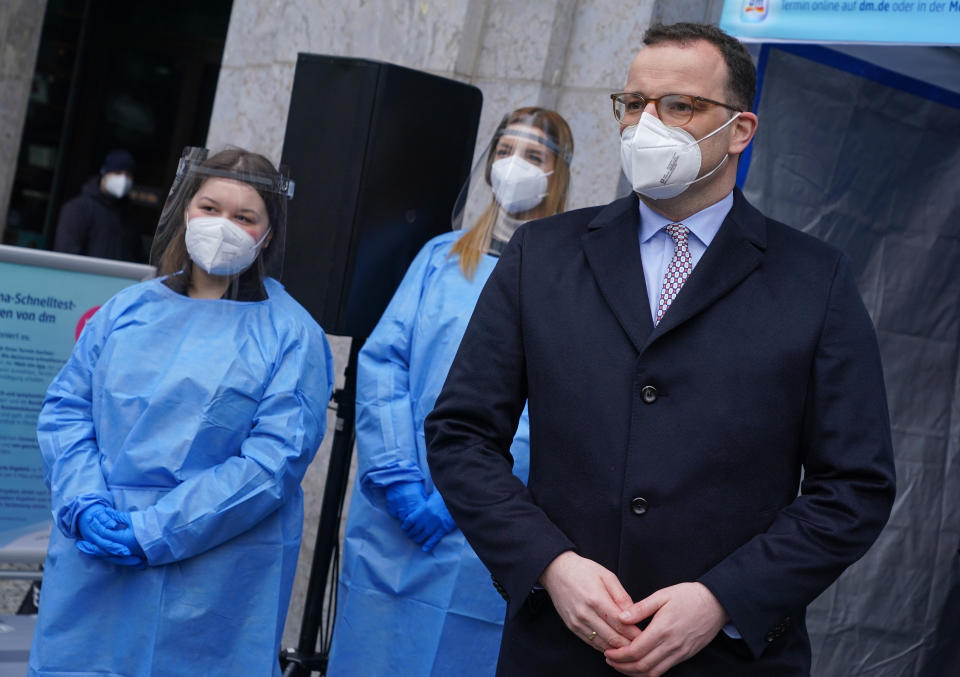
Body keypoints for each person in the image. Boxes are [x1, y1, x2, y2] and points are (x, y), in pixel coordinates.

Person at [426, 23, 896, 677]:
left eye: (680, 105)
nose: (648, 124)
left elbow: (854, 486)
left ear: (740, 129)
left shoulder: (815, 279)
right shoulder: (544, 256)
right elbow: (461, 435)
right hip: (558, 650)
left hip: (728, 658)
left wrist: (723, 598)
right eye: (635, 103)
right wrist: (549, 564)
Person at [28, 146, 334, 677]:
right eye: (210, 208)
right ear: (184, 210)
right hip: (95, 561)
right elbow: (67, 408)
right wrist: (83, 502)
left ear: (267, 233)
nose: (223, 226)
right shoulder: (128, 309)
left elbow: (270, 466)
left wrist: (156, 530)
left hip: (212, 578)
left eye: (244, 217)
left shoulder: (292, 335)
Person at [325, 107, 574, 676]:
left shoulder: (566, 275)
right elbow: (386, 362)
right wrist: (397, 475)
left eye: (533, 157)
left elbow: (552, 407)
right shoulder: (441, 257)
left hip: (484, 527)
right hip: (396, 510)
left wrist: (464, 495)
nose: (515, 167)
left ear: (558, 173)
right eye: (505, 151)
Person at [53, 148, 146, 262]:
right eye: (117, 173)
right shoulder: (78, 209)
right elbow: (66, 254)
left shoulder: (130, 216)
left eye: (128, 175)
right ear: (104, 173)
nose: (123, 178)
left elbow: (137, 257)